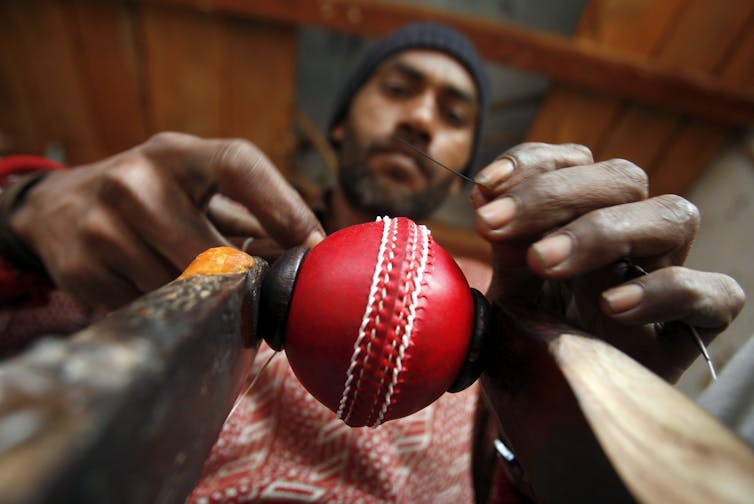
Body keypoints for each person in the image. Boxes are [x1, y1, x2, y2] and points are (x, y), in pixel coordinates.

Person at [0, 22, 745, 503]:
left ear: (464, 155)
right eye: (399, 88)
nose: (421, 118)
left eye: (454, 115)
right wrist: (26, 208)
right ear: (341, 120)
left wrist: (578, 436)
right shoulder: (189, 232)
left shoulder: (517, 309)